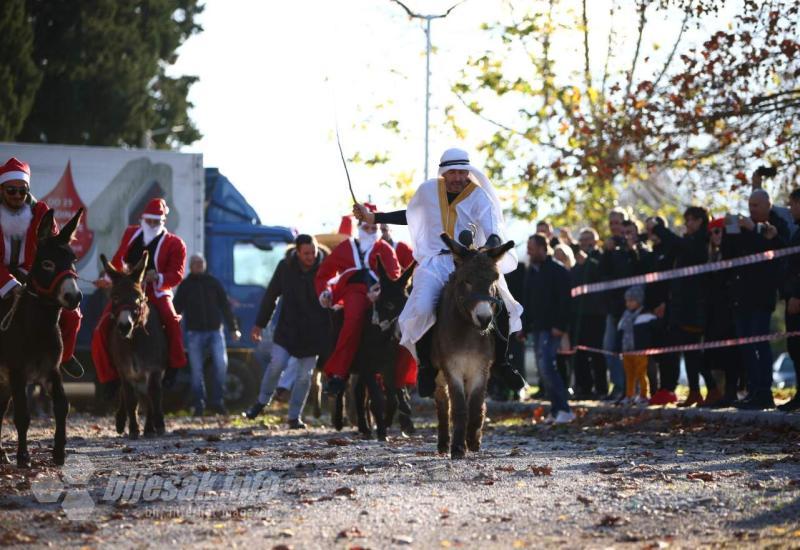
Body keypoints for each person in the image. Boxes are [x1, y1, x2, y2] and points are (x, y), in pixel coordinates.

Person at [352, 148, 525, 398]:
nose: (457, 177)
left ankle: (502, 363)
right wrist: (373, 217)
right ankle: (425, 367)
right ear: (443, 172)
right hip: (434, 263)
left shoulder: (479, 196)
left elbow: (493, 229)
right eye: (452, 172)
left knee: (503, 305)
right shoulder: (426, 191)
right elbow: (410, 215)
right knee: (421, 309)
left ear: (468, 171)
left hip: (469, 263)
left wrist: (487, 250)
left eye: (462, 172)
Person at [0, 157, 83, 377]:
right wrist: (10, 285)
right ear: (1, 190)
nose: (17, 195)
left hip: (32, 273)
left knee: (73, 315)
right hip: (1, 274)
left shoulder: (40, 211)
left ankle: (64, 357)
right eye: (11, 190)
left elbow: (54, 247)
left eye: (22, 191)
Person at [92, 198, 187, 386]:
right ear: (143, 219)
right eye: (149, 220)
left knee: (172, 321)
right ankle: (108, 377)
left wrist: (158, 277)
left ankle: (175, 367)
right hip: (128, 289)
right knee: (101, 327)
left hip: (156, 291)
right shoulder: (130, 233)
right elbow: (119, 258)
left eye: (156, 221)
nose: (152, 224)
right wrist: (108, 279)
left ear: (163, 222)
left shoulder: (176, 244)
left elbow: (176, 275)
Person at [244, 234, 330, 428]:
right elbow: (271, 296)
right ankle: (261, 402)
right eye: (306, 253)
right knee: (277, 364)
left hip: (313, 333)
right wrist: (260, 324)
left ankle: (294, 417)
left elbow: (335, 296)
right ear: (297, 252)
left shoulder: (326, 268)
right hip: (288, 329)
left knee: (304, 376)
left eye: (313, 253)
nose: (311, 257)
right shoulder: (285, 268)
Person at [315, 210, 400, 395]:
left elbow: (394, 275)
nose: (370, 231)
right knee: (353, 319)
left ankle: (404, 374)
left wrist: (378, 290)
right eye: (366, 227)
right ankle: (337, 373)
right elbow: (325, 273)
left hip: (380, 294)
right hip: (354, 292)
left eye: (373, 228)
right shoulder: (346, 247)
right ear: (359, 228)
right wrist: (325, 292)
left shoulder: (385, 248)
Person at [647, 207, 721, 407]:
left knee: (694, 352)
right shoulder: (688, 240)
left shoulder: (701, 242)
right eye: (686, 219)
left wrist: (660, 229)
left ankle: (712, 389)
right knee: (688, 352)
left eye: (691, 220)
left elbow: (683, 247)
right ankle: (695, 392)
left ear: (700, 221)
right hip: (680, 307)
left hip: (694, 307)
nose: (687, 223)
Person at [721, 189, 786, 410]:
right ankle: (752, 390)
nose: (751, 209)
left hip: (762, 296)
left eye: (756, 205)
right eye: (749, 205)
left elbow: (775, 252)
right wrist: (729, 233)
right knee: (746, 345)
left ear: (768, 204)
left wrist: (756, 230)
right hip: (741, 297)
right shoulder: (744, 228)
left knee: (759, 343)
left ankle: (764, 391)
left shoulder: (776, 225)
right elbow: (730, 258)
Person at [173, 253, 241, 416]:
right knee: (196, 371)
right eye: (195, 262)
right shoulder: (185, 285)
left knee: (221, 365)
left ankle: (217, 402)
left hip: (215, 332)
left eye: (201, 262)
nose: (198, 265)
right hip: (194, 334)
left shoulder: (213, 283)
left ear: (205, 264)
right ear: (190, 266)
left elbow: (225, 306)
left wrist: (233, 328)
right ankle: (199, 405)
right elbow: (176, 309)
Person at [521, 234, 574, 423]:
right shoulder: (531, 272)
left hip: (551, 329)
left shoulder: (558, 271)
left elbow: (565, 302)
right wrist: (524, 328)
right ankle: (555, 410)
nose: (528, 251)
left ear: (543, 248)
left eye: (532, 248)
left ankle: (564, 409)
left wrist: (561, 326)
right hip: (537, 328)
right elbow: (528, 301)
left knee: (547, 368)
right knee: (544, 371)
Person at [703, 218, 743, 408]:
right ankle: (718, 392)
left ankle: (731, 392)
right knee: (712, 355)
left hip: (730, 309)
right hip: (713, 312)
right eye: (711, 233)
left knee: (731, 354)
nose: (714, 236)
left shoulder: (730, 251)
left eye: (718, 231)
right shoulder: (711, 257)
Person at [571, 227, 609, 399]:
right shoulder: (577, 264)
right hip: (579, 314)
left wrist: (588, 261)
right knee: (579, 354)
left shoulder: (600, 258)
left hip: (597, 313)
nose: (585, 243)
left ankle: (601, 388)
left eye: (588, 239)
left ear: (595, 241)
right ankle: (584, 388)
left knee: (597, 353)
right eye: (582, 240)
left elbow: (601, 274)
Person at [616, 285, 657, 406]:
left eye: (631, 300)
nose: (628, 303)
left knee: (641, 374)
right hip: (626, 351)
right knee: (629, 375)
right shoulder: (624, 316)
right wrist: (618, 348)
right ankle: (629, 396)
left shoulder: (646, 316)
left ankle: (644, 395)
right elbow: (620, 332)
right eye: (627, 301)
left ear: (639, 301)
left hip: (640, 352)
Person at [780, 188, 800, 411]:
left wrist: (797, 294)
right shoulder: (795, 231)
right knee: (794, 349)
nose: (790, 208)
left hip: (797, 298)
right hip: (791, 296)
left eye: (793, 204)